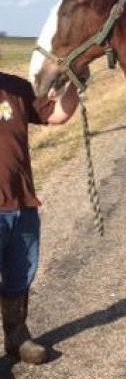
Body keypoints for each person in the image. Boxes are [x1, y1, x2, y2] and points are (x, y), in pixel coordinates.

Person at [0, 65, 80, 364]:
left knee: (20, 277)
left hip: (22, 204)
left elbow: (56, 115)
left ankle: (17, 337)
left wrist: (76, 82)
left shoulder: (16, 88)